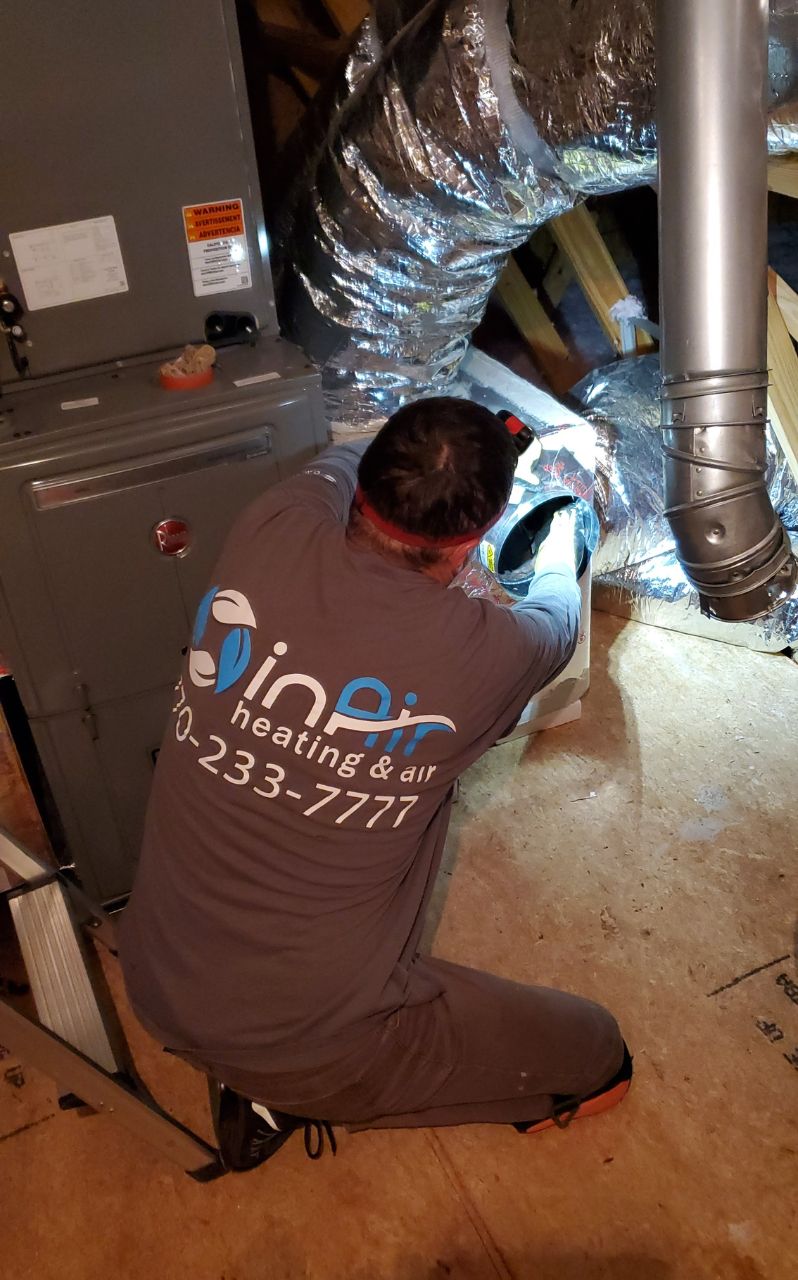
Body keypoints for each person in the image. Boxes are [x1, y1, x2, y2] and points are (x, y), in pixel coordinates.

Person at [120, 396, 631, 1170]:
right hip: (314, 1043)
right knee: (597, 1055)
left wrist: (446, 440)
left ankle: (256, 1069)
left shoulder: (274, 524)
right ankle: (278, 1089)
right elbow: (558, 609)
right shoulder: (485, 655)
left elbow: (347, 459)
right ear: (471, 543)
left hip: (156, 973)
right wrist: (569, 515)